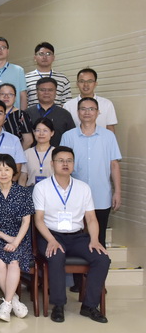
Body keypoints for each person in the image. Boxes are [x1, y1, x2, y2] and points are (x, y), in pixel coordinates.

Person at [33, 146, 110, 323]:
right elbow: (39, 219)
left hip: (77, 236)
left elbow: (91, 218)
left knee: (102, 258)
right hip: (50, 235)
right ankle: (58, 305)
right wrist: (51, 240)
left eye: (69, 161)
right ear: (52, 164)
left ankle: (89, 306)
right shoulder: (41, 187)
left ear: (74, 164)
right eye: (61, 160)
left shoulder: (83, 188)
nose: (65, 164)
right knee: (56, 256)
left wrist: (94, 240)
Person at [60, 97, 122, 245]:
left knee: (99, 238)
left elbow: (114, 165)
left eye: (91, 109)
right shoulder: (68, 136)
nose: (87, 112)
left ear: (98, 112)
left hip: (101, 196)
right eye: (83, 109)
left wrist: (118, 192)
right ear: (78, 112)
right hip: (74, 196)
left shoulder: (108, 136)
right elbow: (61, 167)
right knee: (74, 238)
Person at [0, 153, 33, 322]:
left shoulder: (23, 193)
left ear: (13, 172)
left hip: (19, 237)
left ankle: (7, 303)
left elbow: (26, 221)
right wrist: (5, 237)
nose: (3, 173)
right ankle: (13, 301)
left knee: (14, 262)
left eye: (7, 169)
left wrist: (15, 241)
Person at [24, 77, 75, 146]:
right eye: (42, 90)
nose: (46, 93)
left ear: (56, 92)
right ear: (37, 92)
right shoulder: (26, 114)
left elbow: (71, 138)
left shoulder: (65, 114)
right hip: (32, 152)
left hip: (58, 152)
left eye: (50, 90)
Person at [25, 42, 71, 107]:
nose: (44, 57)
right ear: (35, 58)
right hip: (33, 113)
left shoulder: (63, 79)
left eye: (48, 54)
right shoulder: (25, 78)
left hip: (56, 113)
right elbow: (23, 102)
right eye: (41, 54)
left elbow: (67, 104)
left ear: (53, 58)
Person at [19, 118, 56, 187]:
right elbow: (23, 178)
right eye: (38, 130)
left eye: (45, 130)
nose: (41, 133)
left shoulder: (57, 153)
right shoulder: (27, 153)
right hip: (31, 190)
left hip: (52, 190)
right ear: (34, 132)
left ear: (52, 133)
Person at [0, 83, 34, 149]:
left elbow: (28, 140)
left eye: (10, 94)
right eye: (2, 94)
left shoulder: (21, 115)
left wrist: (18, 153)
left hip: (14, 153)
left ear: (15, 98)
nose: (6, 96)